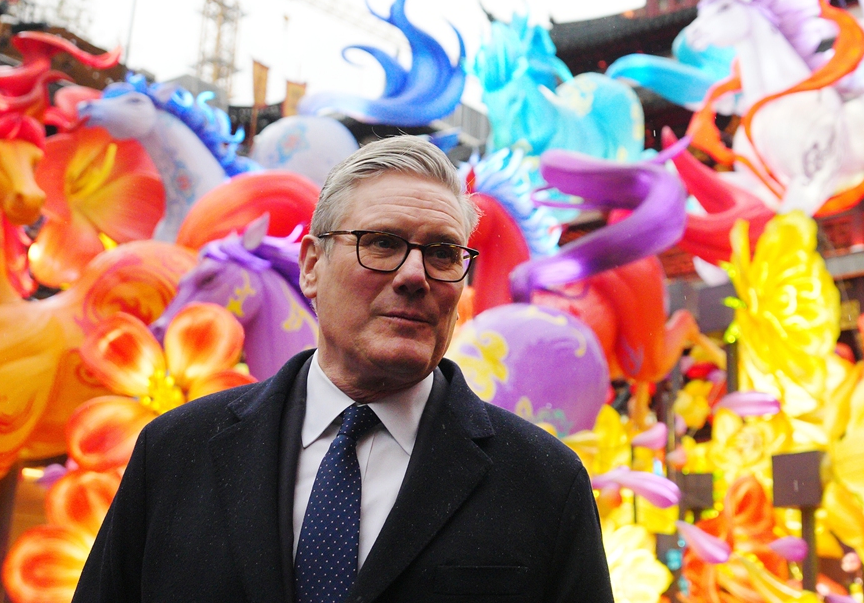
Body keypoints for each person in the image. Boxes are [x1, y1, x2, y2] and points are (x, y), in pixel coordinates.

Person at [73, 136, 614, 603]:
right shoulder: (174, 453)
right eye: (382, 243)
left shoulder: (545, 483)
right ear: (311, 265)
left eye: (443, 253)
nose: (415, 275)